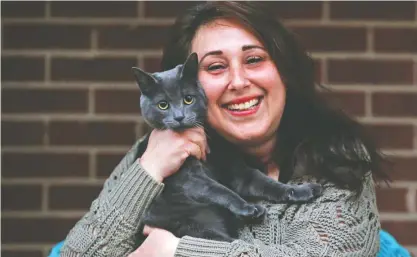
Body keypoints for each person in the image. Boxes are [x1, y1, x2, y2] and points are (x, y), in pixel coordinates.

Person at [60, 2, 389, 257]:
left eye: (255, 59)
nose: (239, 81)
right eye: (216, 67)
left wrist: (175, 250)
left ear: (284, 72)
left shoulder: (335, 156)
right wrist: (149, 169)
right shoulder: (155, 156)